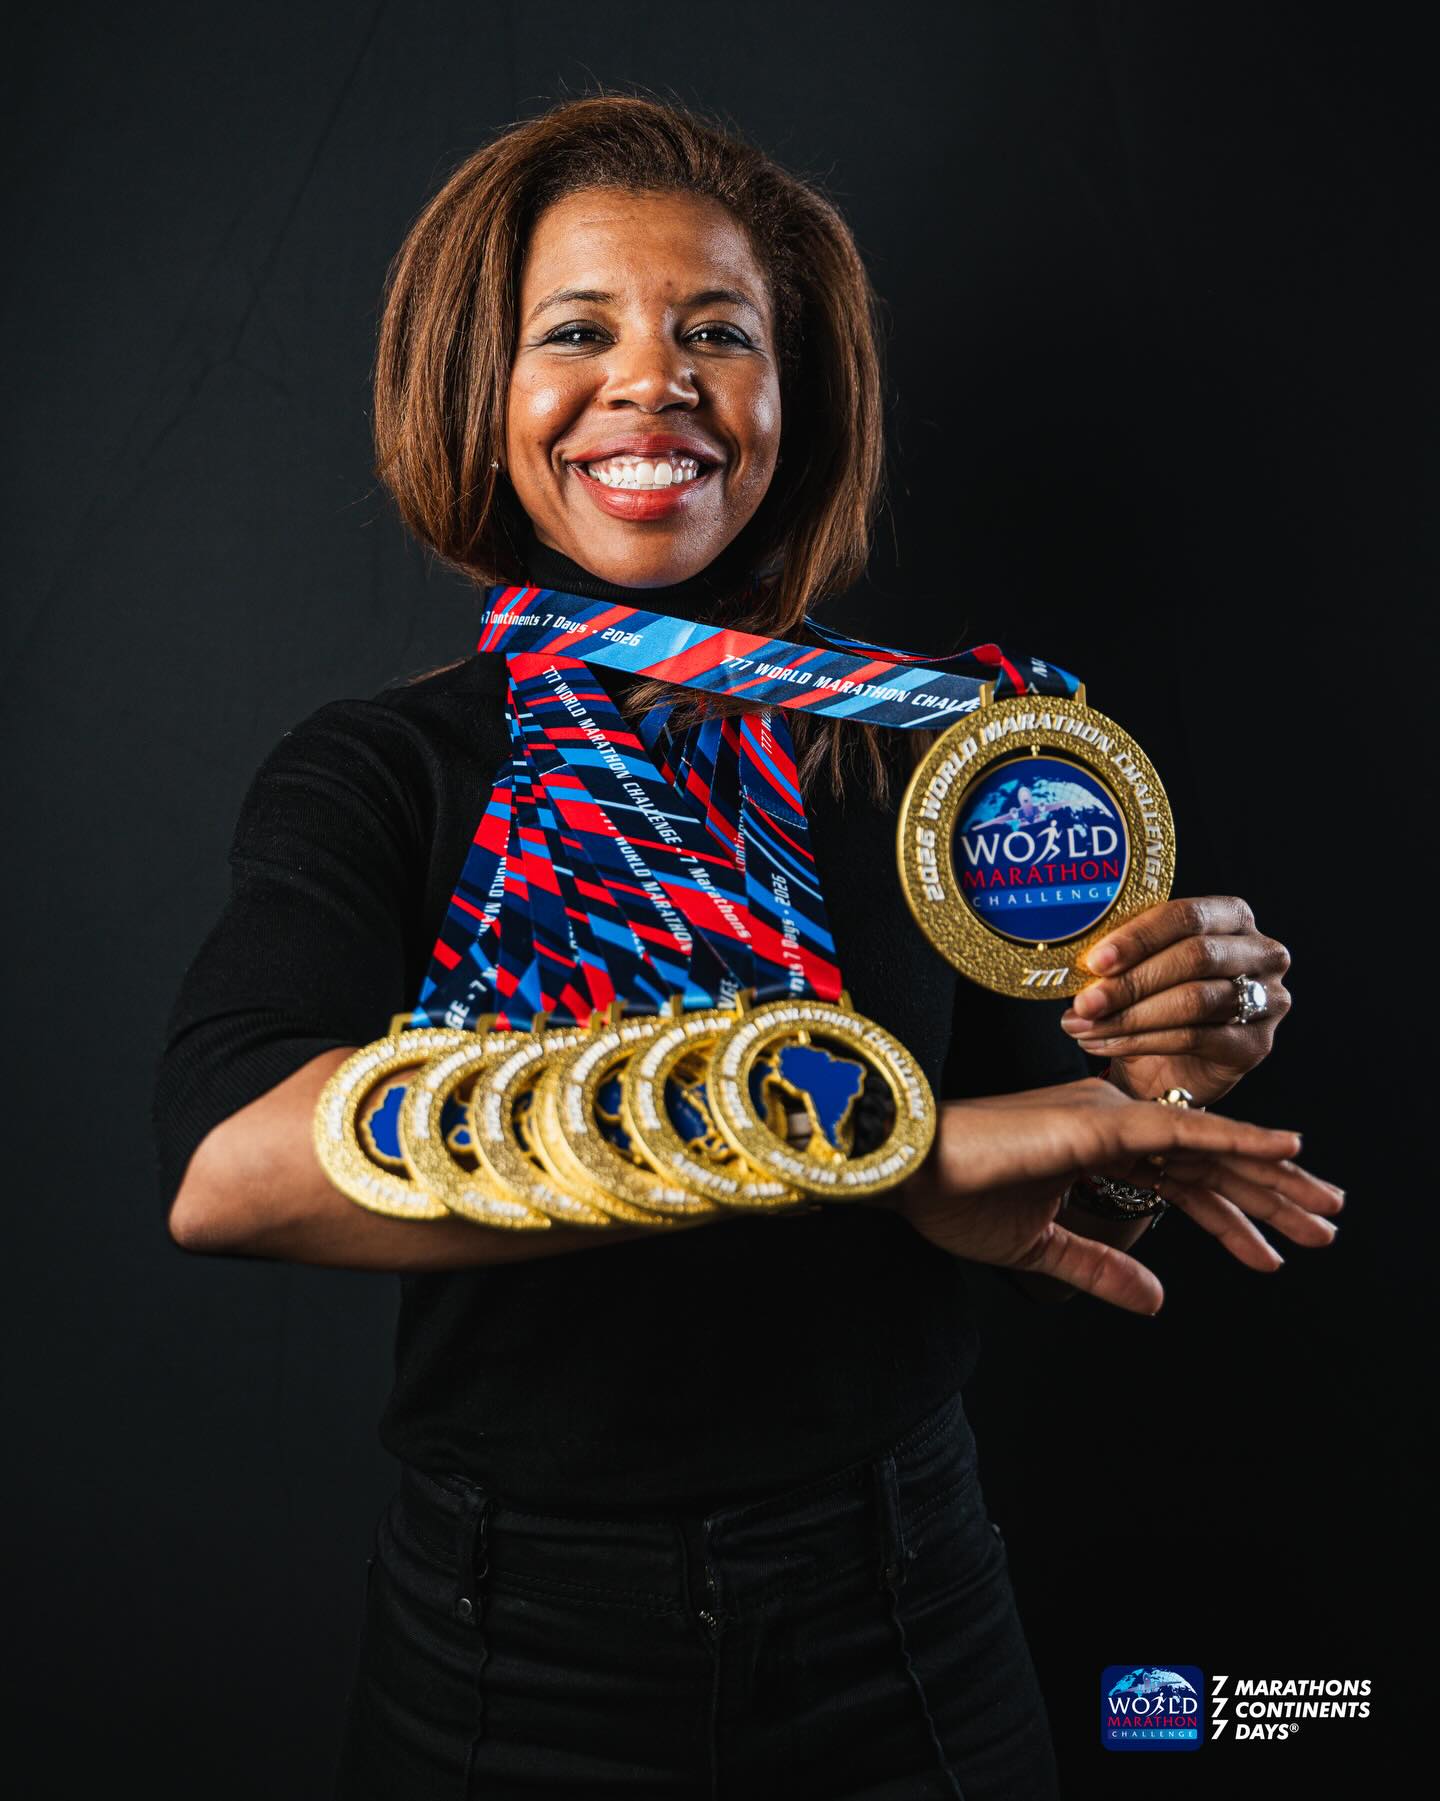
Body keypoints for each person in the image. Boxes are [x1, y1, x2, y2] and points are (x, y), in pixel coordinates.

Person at [153, 95, 1339, 1800]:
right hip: (516, 1655)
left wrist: (1163, 1072)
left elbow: (1055, 1194)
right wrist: (876, 1145)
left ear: (796, 399)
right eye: (579, 332)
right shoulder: (384, 772)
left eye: (720, 333)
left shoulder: (948, 754)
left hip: (911, 1610)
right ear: (477, 393)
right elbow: (230, 1172)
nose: (656, 381)